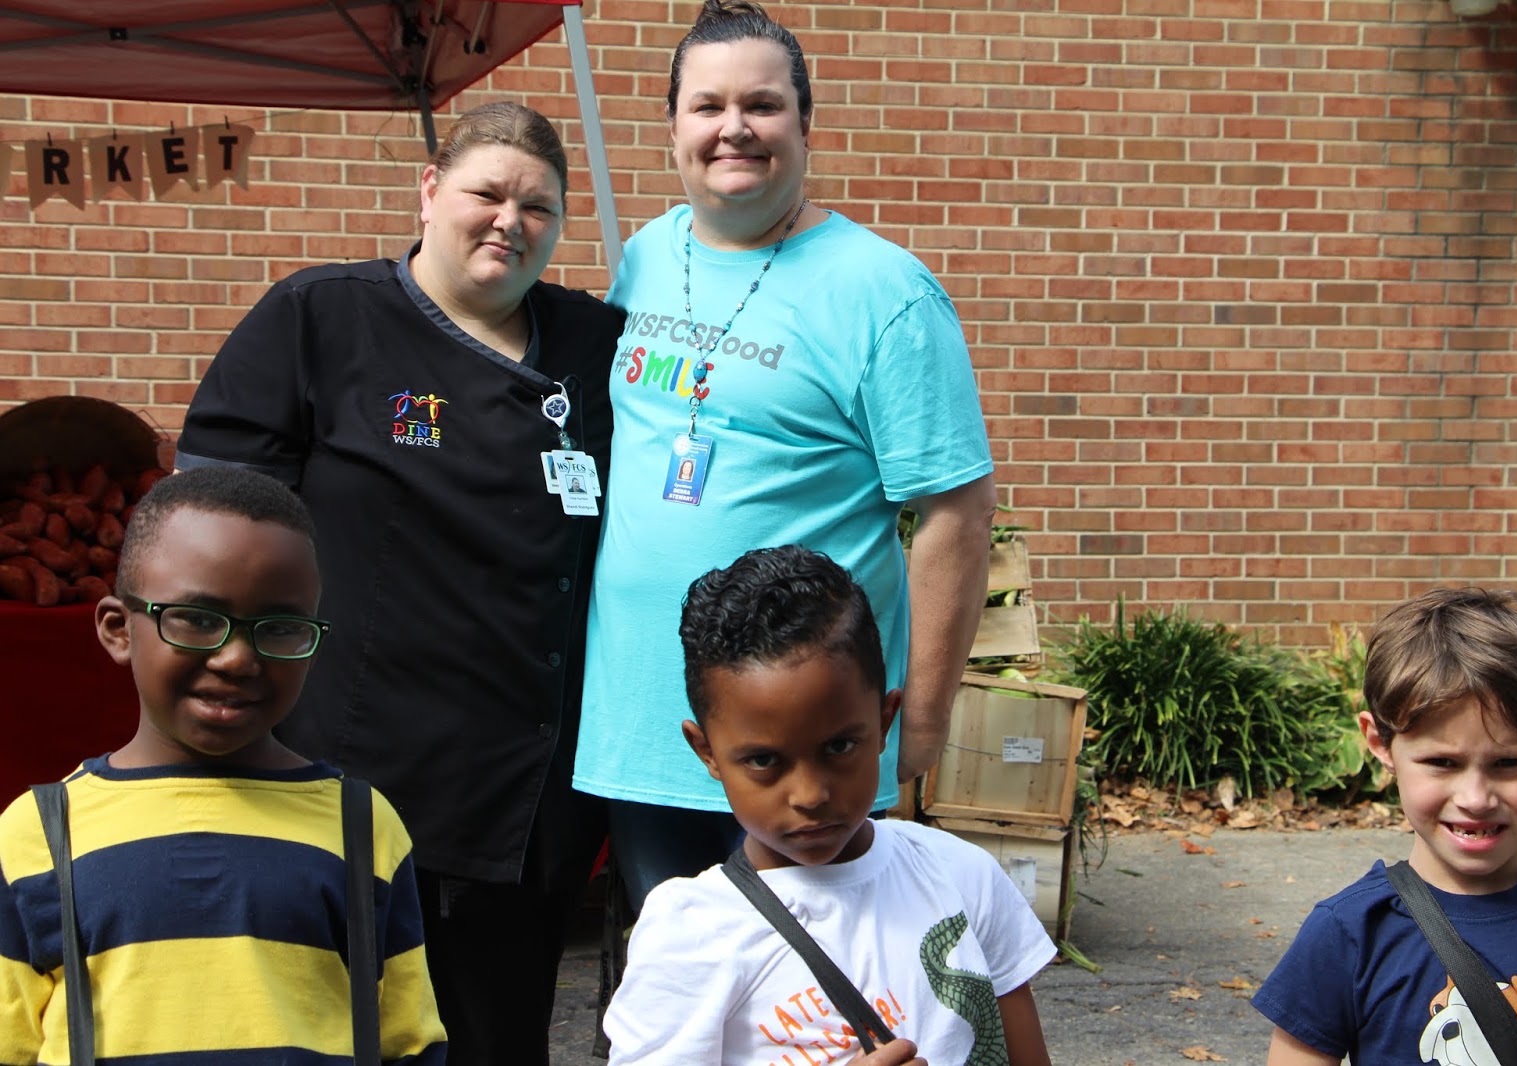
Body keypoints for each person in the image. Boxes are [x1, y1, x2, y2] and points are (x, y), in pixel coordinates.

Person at [174, 102, 622, 1064]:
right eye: (487, 193)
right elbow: (212, 526)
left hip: (522, 801)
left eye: (538, 207)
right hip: (345, 781)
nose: (510, 220)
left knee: (497, 1042)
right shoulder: (321, 318)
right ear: (430, 191)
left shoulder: (593, 344)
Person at [576, 0, 997, 913]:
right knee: (683, 1008)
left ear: (804, 124)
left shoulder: (884, 291)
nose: (735, 128)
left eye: (762, 105)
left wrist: (917, 723)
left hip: (804, 743)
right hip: (647, 726)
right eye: (708, 105)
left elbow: (955, 514)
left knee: (809, 1014)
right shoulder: (646, 255)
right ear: (674, 127)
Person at [0, 467, 447, 1063]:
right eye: (197, 619)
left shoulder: (361, 825)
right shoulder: (40, 832)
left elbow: (408, 1043)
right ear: (118, 630)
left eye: (281, 628)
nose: (236, 658)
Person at [602, 545, 1054, 1064]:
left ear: (885, 722)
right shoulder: (689, 935)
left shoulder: (962, 875)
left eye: (839, 747)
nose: (811, 795)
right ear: (707, 751)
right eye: (764, 760)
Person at [1252, 587, 1517, 1064]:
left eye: (1508, 763)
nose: (1476, 798)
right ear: (1379, 742)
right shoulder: (1351, 934)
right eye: (1441, 762)